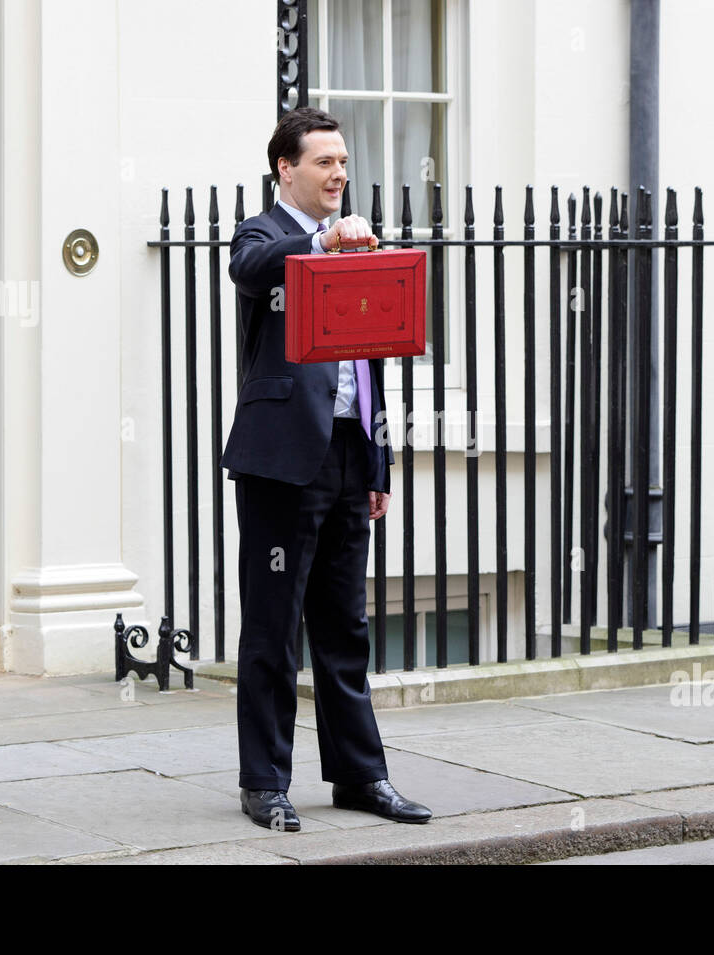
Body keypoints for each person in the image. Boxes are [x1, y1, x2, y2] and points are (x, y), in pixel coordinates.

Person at [223, 106, 431, 831]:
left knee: (345, 627)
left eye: (343, 161)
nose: (339, 172)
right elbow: (245, 270)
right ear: (287, 169)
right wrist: (319, 240)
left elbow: (372, 362)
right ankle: (265, 783)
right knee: (273, 630)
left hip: (348, 454)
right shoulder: (265, 234)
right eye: (324, 161)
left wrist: (379, 461)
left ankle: (360, 776)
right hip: (282, 463)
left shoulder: (359, 243)